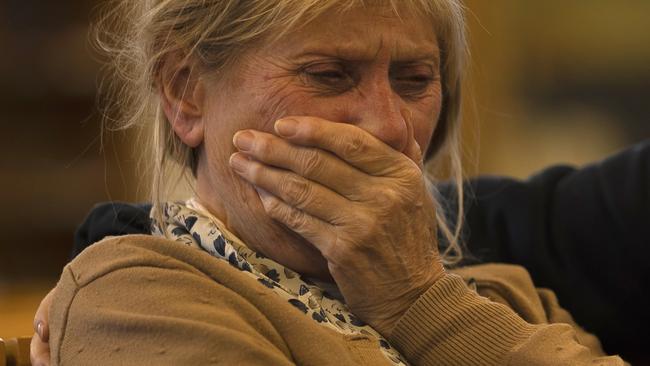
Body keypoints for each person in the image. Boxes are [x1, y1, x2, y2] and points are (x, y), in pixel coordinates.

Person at [35, 0, 631, 365]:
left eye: (414, 78)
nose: (390, 126)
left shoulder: (506, 298)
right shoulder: (138, 300)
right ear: (186, 91)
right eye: (327, 75)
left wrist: (423, 301)